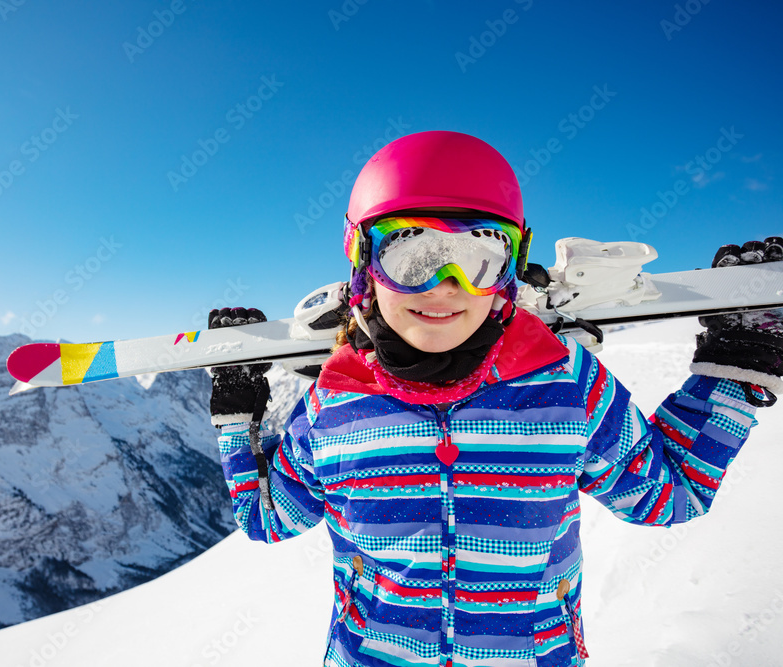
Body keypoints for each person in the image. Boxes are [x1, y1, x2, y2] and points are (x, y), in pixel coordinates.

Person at [207, 131, 782, 667]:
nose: (446, 284)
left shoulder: (565, 390)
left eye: (479, 255)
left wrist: (734, 370)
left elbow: (669, 495)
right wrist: (238, 411)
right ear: (364, 263)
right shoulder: (332, 411)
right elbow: (266, 518)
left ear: (508, 268)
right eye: (412, 256)